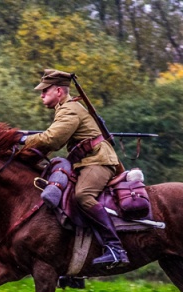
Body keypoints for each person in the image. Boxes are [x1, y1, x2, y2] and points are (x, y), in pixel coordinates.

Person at [20, 69, 129, 268]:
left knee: (83, 196)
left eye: (45, 90)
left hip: (98, 161)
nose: (42, 95)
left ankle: (115, 248)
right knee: (64, 196)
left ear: (59, 91)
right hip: (86, 162)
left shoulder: (69, 109)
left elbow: (53, 140)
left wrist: (21, 139)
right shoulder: (64, 108)